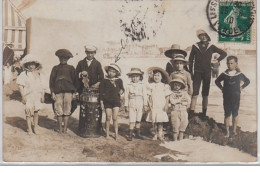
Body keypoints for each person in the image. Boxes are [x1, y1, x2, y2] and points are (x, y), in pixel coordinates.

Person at [189, 29, 227, 117]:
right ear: (199, 37)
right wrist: (190, 71)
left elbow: (224, 53)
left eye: (204, 35)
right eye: (201, 35)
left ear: (207, 36)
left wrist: (216, 60)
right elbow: (190, 60)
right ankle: (191, 112)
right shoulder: (195, 46)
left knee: (205, 93)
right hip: (197, 72)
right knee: (195, 92)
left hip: (207, 72)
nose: (203, 37)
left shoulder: (211, 46)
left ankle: (204, 113)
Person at [215, 56, 250, 137]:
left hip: (236, 97)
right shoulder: (224, 74)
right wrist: (221, 88)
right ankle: (227, 132)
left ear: (236, 64)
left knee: (235, 114)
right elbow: (217, 81)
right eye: (228, 63)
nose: (229, 65)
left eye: (231, 63)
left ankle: (234, 131)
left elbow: (247, 81)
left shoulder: (239, 74)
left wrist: (241, 87)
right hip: (226, 96)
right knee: (227, 114)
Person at [76, 45, 104, 134]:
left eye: (92, 53)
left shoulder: (98, 64)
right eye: (88, 53)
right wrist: (81, 74)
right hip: (84, 90)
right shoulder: (81, 63)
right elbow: (75, 74)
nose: (90, 55)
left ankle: (95, 129)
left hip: (95, 91)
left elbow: (102, 77)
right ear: (86, 53)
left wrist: (98, 84)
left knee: (95, 110)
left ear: (94, 53)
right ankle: (83, 129)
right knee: (84, 109)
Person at [49, 49, 77, 133]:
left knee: (67, 110)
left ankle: (65, 128)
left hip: (68, 92)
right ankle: (60, 129)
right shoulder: (55, 68)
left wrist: (74, 93)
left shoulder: (71, 68)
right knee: (58, 110)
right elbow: (51, 81)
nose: (63, 59)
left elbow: (75, 81)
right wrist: (52, 92)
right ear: (58, 58)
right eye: (61, 58)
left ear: (68, 59)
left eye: (65, 58)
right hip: (58, 92)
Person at [16, 54, 45, 135]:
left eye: (33, 64)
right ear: (26, 65)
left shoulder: (39, 74)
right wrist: (23, 96)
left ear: (36, 65)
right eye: (29, 64)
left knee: (36, 112)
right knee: (28, 112)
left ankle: (35, 127)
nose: (31, 66)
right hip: (28, 96)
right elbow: (20, 86)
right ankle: (29, 129)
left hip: (37, 96)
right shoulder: (24, 74)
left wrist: (42, 95)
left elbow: (43, 86)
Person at [100, 63, 124, 141]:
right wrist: (101, 102)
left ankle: (116, 134)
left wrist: (121, 91)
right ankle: (107, 134)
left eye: (113, 72)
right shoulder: (104, 81)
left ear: (116, 73)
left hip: (116, 101)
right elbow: (101, 92)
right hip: (107, 102)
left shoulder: (119, 80)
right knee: (108, 117)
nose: (111, 73)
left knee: (115, 118)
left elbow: (122, 89)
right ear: (107, 71)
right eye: (110, 71)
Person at [146, 67, 171, 141]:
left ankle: (160, 134)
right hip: (154, 105)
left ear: (161, 77)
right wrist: (149, 103)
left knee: (160, 121)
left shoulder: (164, 86)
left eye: (158, 75)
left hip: (161, 105)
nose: (156, 77)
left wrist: (166, 104)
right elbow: (148, 95)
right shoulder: (151, 85)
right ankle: (155, 134)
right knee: (154, 121)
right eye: (155, 75)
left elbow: (167, 96)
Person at [125, 68, 148, 141]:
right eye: (133, 76)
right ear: (130, 77)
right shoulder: (128, 85)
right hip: (132, 102)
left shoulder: (142, 85)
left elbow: (145, 95)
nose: (135, 78)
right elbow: (126, 95)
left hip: (140, 101)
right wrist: (126, 105)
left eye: (137, 76)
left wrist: (145, 104)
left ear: (140, 77)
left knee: (138, 118)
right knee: (132, 118)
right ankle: (130, 134)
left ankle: (138, 133)